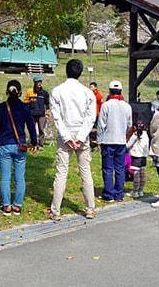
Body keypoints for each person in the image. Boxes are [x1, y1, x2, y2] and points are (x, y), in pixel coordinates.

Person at [45, 59, 97, 221]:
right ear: (80, 72)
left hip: (65, 134)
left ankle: (56, 211)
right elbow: (90, 117)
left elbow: (57, 117)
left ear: (66, 71)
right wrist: (81, 137)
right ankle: (89, 209)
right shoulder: (88, 92)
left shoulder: (57, 91)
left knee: (61, 172)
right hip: (82, 134)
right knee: (85, 171)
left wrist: (67, 137)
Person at [0, 80, 38, 216]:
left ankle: (6, 206)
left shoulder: (1, 108)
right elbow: (31, 126)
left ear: (7, 92)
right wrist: (34, 142)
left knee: (5, 177)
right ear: (20, 93)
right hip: (20, 145)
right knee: (20, 177)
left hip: (4, 145)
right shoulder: (25, 108)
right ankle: (18, 205)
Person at [97, 80, 132, 202]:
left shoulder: (106, 105)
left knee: (107, 168)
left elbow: (101, 125)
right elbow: (129, 125)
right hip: (121, 141)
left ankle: (108, 194)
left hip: (108, 140)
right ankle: (119, 194)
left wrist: (99, 140)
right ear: (121, 91)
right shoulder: (127, 106)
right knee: (120, 168)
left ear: (109, 91)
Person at [126, 120, 149, 198]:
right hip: (144, 157)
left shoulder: (135, 135)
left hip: (136, 157)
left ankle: (135, 192)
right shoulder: (146, 135)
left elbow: (128, 145)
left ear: (135, 127)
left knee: (136, 175)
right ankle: (141, 191)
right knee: (142, 174)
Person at [25, 74, 50, 147]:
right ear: (34, 82)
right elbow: (25, 102)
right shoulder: (29, 91)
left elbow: (47, 104)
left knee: (41, 130)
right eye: (37, 82)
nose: (39, 83)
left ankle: (41, 144)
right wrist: (30, 101)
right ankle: (33, 143)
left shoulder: (45, 93)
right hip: (31, 114)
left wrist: (47, 113)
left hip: (41, 115)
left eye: (40, 82)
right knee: (32, 129)